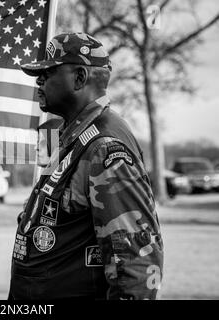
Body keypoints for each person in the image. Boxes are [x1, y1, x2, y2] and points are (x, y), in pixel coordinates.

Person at [9, 32, 164, 300]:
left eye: (49, 72)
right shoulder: (74, 136)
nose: (39, 80)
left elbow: (134, 259)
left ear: (80, 77)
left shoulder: (104, 146)